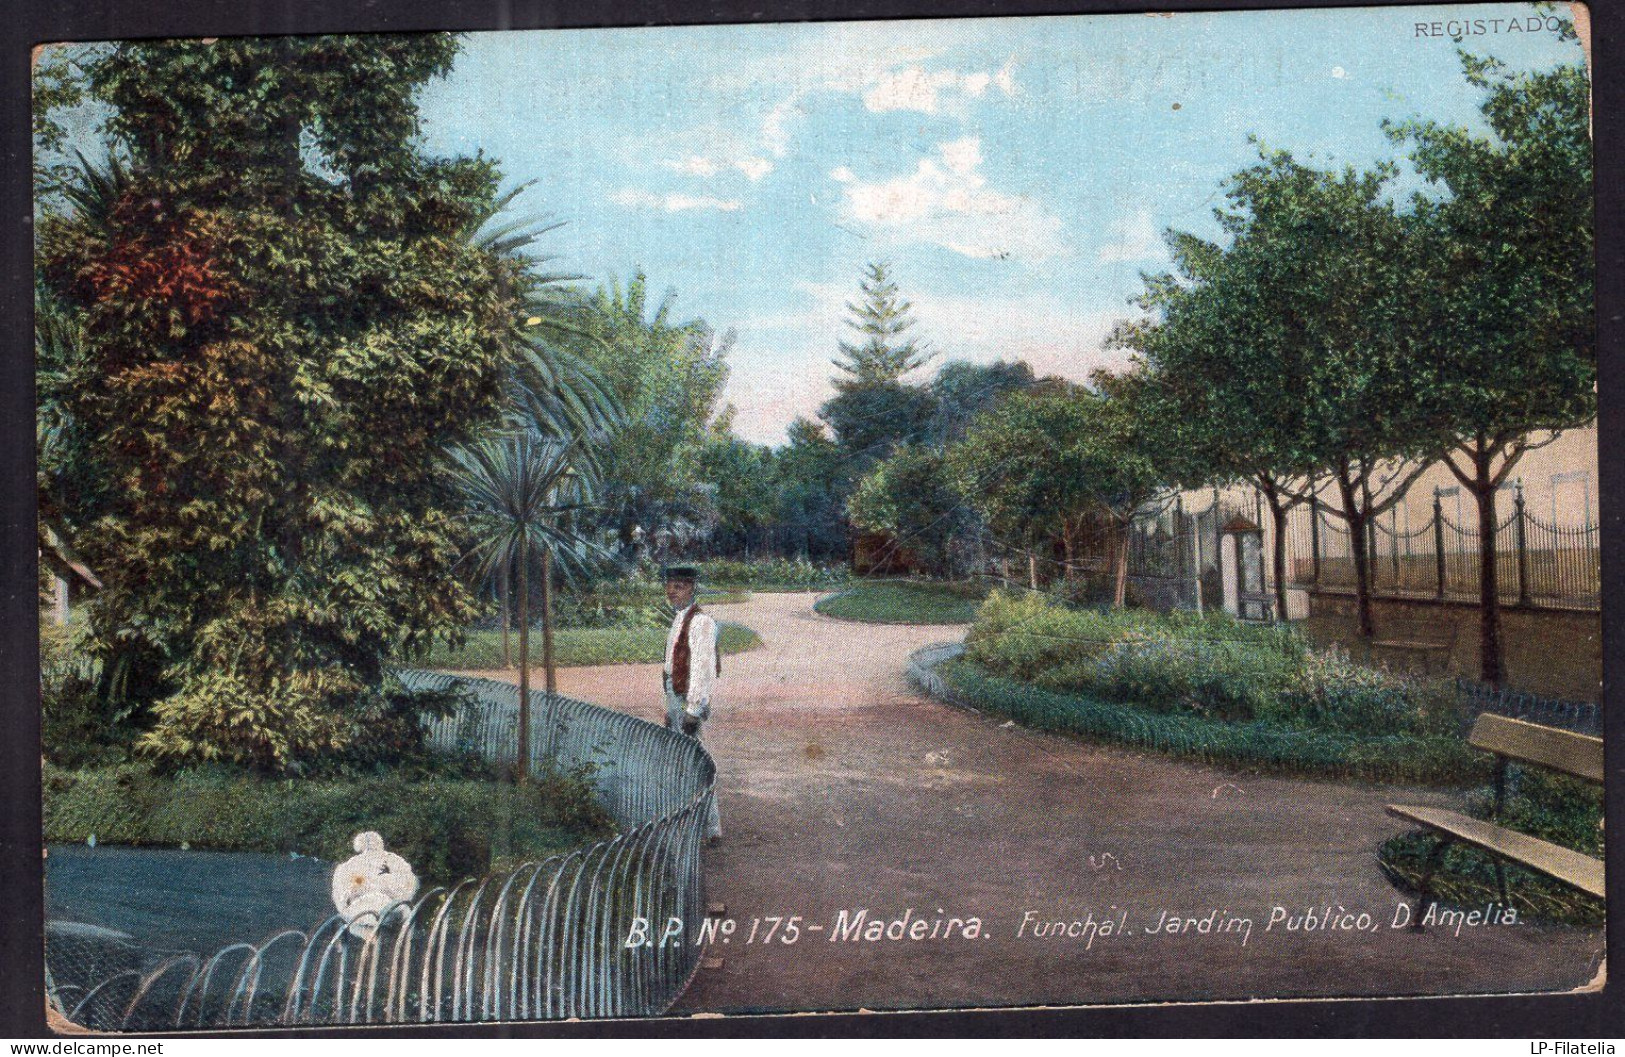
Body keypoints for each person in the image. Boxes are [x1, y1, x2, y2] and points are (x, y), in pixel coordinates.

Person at [662, 565, 722, 840]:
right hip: (675, 695)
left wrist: (693, 710)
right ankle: (694, 824)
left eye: (678, 586)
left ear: (691, 588)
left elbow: (702, 668)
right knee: (682, 762)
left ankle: (710, 827)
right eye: (669, 585)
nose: (671, 591)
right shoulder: (678, 619)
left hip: (688, 700)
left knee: (695, 762)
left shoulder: (701, 622)